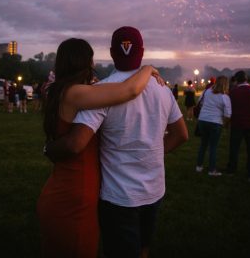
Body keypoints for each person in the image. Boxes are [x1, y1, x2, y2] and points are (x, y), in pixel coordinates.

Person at [47, 27, 188, 258]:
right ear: (142, 52)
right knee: (143, 249)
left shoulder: (101, 92)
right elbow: (181, 134)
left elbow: (77, 142)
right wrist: (152, 153)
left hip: (118, 194)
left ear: (112, 53)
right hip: (154, 188)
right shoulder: (162, 88)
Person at [226, 70, 250, 182]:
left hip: (237, 123)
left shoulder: (233, 92)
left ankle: (231, 169)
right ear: (246, 79)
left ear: (236, 80)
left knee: (234, 148)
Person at [196, 76, 231, 176]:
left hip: (203, 120)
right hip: (215, 122)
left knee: (203, 144)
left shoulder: (207, 92)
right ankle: (212, 170)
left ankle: (199, 166)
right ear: (226, 84)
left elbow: (200, 102)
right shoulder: (225, 97)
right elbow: (228, 114)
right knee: (213, 147)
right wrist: (224, 124)